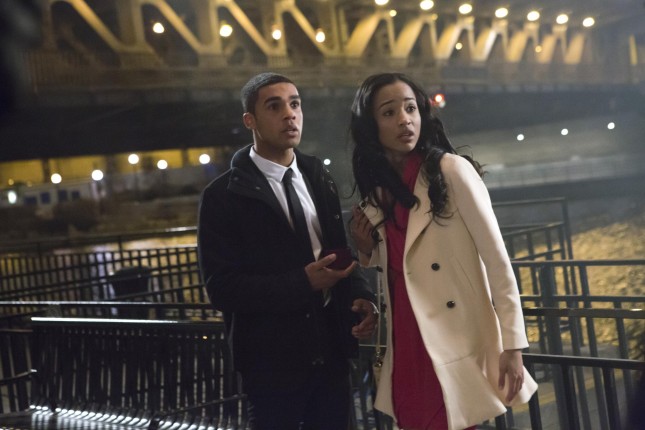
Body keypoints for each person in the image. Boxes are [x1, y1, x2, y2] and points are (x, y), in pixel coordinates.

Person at [348, 72, 538, 430]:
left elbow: (497, 260)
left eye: (411, 109)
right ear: (371, 126)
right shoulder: (378, 192)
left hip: (452, 337)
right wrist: (366, 250)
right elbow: (401, 265)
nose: (404, 120)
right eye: (389, 112)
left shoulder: (450, 170)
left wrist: (513, 346)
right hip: (405, 337)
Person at [197, 72, 379, 430]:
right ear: (250, 120)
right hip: (271, 363)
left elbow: (338, 254)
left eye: (295, 104)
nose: (289, 114)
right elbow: (221, 288)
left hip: (331, 352)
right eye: (274, 106)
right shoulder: (222, 196)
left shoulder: (318, 177)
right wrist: (302, 282)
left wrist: (361, 295)